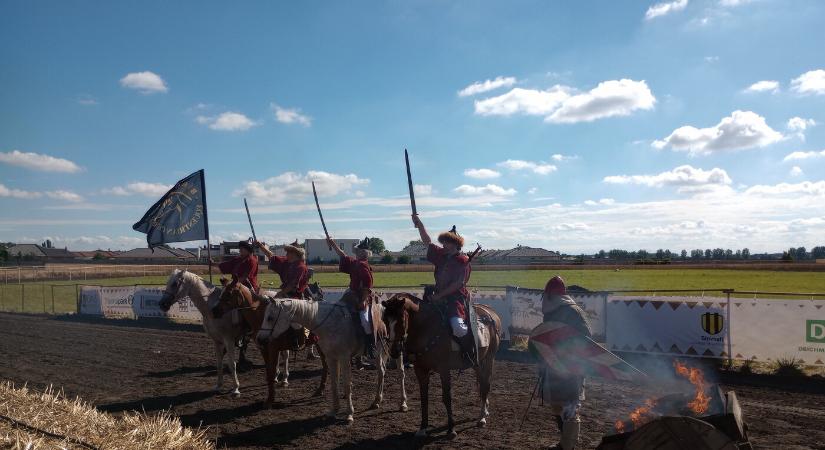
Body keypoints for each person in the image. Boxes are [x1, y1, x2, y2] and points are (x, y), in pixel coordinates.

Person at [411, 214, 475, 367]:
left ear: (455, 244)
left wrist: (439, 295)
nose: (444, 244)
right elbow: (427, 242)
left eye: (447, 242)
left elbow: (458, 284)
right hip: (436, 297)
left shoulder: (463, 261)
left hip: (455, 300)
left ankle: (468, 352)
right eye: (443, 241)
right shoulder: (440, 255)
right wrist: (420, 225)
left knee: (458, 328)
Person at [538, 275, 591, 450]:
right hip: (554, 366)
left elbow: (585, 338)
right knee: (556, 405)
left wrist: (565, 348)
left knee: (570, 408)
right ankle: (564, 443)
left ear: (552, 296)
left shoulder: (573, 311)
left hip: (572, 366)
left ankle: (568, 447)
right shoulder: (552, 310)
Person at [327, 236, 376, 362]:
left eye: (358, 252)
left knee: (365, 321)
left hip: (362, 297)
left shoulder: (363, 265)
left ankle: (371, 346)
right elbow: (343, 255)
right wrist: (333, 243)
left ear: (362, 253)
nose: (356, 253)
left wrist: (362, 301)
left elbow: (366, 287)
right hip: (350, 295)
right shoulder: (355, 263)